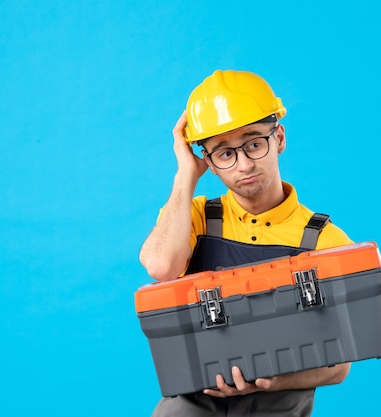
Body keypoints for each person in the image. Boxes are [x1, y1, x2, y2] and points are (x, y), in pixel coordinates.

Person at [139, 69, 353, 417]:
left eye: (254, 143)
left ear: (279, 138)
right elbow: (161, 267)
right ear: (208, 161)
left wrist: (272, 380)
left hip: (278, 405)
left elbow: (339, 367)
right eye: (224, 154)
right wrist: (185, 175)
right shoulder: (194, 217)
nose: (245, 164)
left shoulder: (326, 242)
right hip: (190, 403)